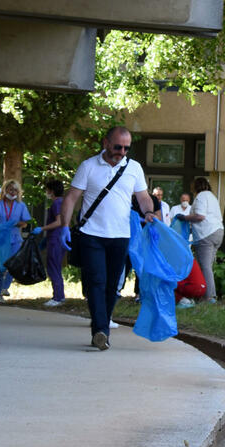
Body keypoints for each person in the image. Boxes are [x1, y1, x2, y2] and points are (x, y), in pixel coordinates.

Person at [59, 126, 156, 350]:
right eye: (117, 146)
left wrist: (149, 212)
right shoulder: (89, 166)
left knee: (113, 286)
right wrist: (65, 226)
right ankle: (101, 331)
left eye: (126, 148)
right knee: (96, 282)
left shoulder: (134, 168)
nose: (121, 152)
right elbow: (72, 197)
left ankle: (101, 326)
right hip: (91, 234)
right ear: (106, 143)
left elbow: (143, 197)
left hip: (120, 236)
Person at [177, 176, 223, 303]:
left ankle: (209, 297)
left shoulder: (201, 196)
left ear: (195, 187)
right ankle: (209, 295)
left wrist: (184, 218)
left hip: (206, 234)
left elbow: (200, 216)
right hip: (218, 232)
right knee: (209, 265)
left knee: (205, 266)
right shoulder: (212, 196)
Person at [0, 179, 33, 301]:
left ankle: (5, 288)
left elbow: (25, 223)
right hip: (1, 240)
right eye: (10, 189)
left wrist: (17, 224)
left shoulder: (21, 206)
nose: (12, 192)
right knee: (0, 267)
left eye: (15, 189)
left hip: (15, 239)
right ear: (5, 190)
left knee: (13, 265)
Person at [41, 179, 67, 306]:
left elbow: (59, 221)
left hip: (55, 239)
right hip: (58, 238)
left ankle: (57, 297)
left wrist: (42, 229)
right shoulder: (63, 202)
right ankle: (59, 295)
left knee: (53, 268)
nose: (46, 192)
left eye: (47, 190)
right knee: (56, 267)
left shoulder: (56, 203)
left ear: (51, 191)